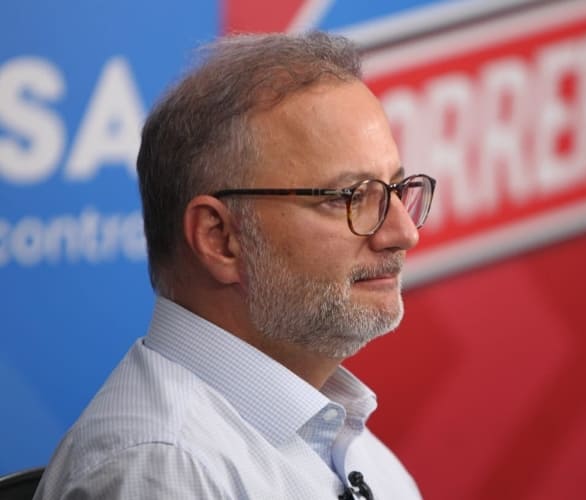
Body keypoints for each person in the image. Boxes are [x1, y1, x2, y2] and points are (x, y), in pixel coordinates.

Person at [33, 31, 436, 499]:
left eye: (395, 189)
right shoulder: (163, 469)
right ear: (220, 238)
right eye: (349, 197)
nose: (403, 232)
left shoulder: (355, 450)